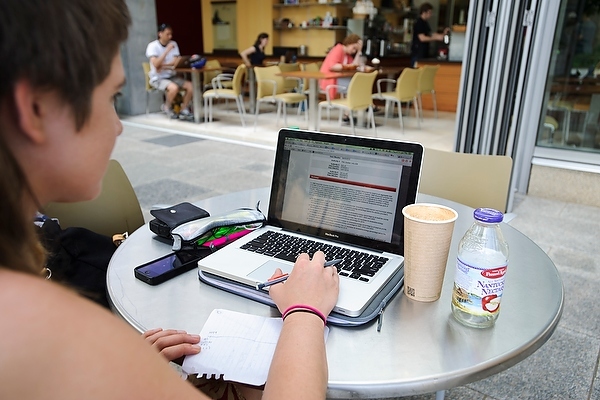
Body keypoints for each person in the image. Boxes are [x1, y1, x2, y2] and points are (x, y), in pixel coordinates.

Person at [0, 2, 339, 400]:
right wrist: (305, 313)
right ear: (35, 111)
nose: (119, 125)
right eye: (111, 96)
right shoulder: (39, 329)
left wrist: (135, 379)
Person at [146, 23, 194, 120]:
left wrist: (163, 65)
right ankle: (166, 106)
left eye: (171, 34)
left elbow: (176, 61)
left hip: (172, 76)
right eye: (167, 34)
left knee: (190, 86)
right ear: (160, 34)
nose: (170, 37)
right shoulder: (152, 46)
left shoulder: (174, 44)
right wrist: (166, 51)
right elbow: (155, 64)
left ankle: (183, 108)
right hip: (158, 78)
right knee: (174, 88)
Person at [410, 2, 449, 67]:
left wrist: (443, 34)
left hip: (423, 53)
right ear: (424, 12)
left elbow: (431, 34)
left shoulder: (425, 23)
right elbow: (422, 38)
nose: (431, 14)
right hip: (418, 53)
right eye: (429, 12)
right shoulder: (419, 23)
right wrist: (436, 38)